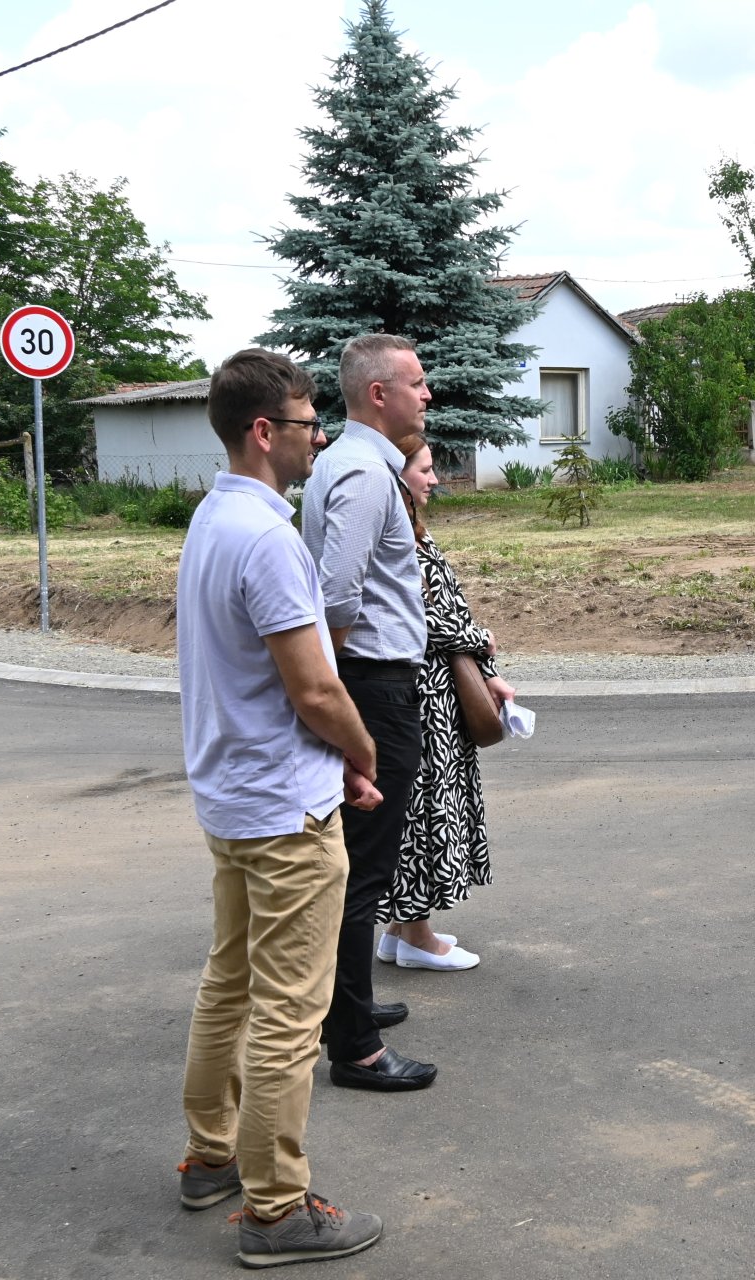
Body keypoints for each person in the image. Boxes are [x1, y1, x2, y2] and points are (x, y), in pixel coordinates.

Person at [174, 348, 385, 1265]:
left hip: (231, 797)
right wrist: (362, 753)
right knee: (291, 1012)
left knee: (229, 982)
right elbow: (316, 689)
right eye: (307, 424)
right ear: (264, 432)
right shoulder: (267, 539)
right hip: (284, 810)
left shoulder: (213, 518)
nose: (319, 439)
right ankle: (275, 1209)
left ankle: (210, 1156)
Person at [300, 334, 438, 1092]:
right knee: (362, 867)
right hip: (372, 684)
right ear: (379, 394)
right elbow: (335, 596)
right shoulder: (362, 473)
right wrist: (341, 687)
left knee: (357, 860)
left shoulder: (350, 463)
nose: (428, 394)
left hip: (370, 679)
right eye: (416, 382)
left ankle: (346, 1003)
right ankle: (354, 1045)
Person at [375, 435, 516, 970]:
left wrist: (486, 669)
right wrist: (481, 640)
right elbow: (423, 617)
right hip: (423, 696)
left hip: (438, 690)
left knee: (429, 806)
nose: (434, 479)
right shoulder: (397, 536)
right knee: (425, 811)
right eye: (426, 470)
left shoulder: (413, 529)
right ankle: (418, 937)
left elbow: (448, 607)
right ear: (400, 477)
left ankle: (398, 931)